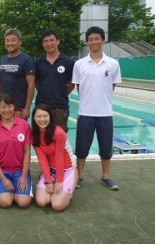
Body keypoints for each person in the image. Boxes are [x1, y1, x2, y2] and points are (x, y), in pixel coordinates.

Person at [72, 26, 122, 190]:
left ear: (103, 40)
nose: (94, 41)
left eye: (97, 38)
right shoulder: (79, 64)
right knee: (82, 147)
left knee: (106, 146)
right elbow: (79, 88)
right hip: (85, 113)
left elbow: (112, 86)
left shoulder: (113, 64)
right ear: (87, 42)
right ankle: (79, 175)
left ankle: (106, 176)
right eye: (90, 39)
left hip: (105, 113)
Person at [0, 94, 33, 208]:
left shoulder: (24, 125)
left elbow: (27, 152)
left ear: (14, 107)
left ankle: (16, 191)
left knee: (23, 203)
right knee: (6, 203)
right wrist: (3, 179)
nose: (7, 110)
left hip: (20, 171)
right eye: (3, 107)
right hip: (2, 171)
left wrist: (24, 176)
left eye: (10, 106)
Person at [31, 104, 77, 211]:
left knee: (57, 205)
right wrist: (48, 181)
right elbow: (42, 159)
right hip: (51, 170)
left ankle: (71, 186)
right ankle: (60, 191)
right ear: (34, 118)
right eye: (39, 116)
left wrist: (59, 181)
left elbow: (59, 156)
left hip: (67, 169)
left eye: (45, 116)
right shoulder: (34, 135)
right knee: (41, 202)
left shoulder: (58, 132)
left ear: (50, 117)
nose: (42, 119)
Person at [35, 29, 75, 132]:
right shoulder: (38, 63)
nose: (49, 43)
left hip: (60, 107)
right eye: (46, 41)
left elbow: (72, 82)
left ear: (58, 41)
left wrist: (61, 93)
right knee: (41, 138)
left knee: (60, 139)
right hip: (42, 107)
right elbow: (36, 82)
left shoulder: (68, 62)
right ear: (43, 43)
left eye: (52, 40)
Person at [0, 29, 35, 120]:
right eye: (7, 40)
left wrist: (27, 108)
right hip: (4, 107)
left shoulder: (27, 60)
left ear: (19, 42)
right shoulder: (3, 59)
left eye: (13, 40)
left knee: (18, 134)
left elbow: (31, 85)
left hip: (19, 107)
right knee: (4, 133)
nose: (10, 43)